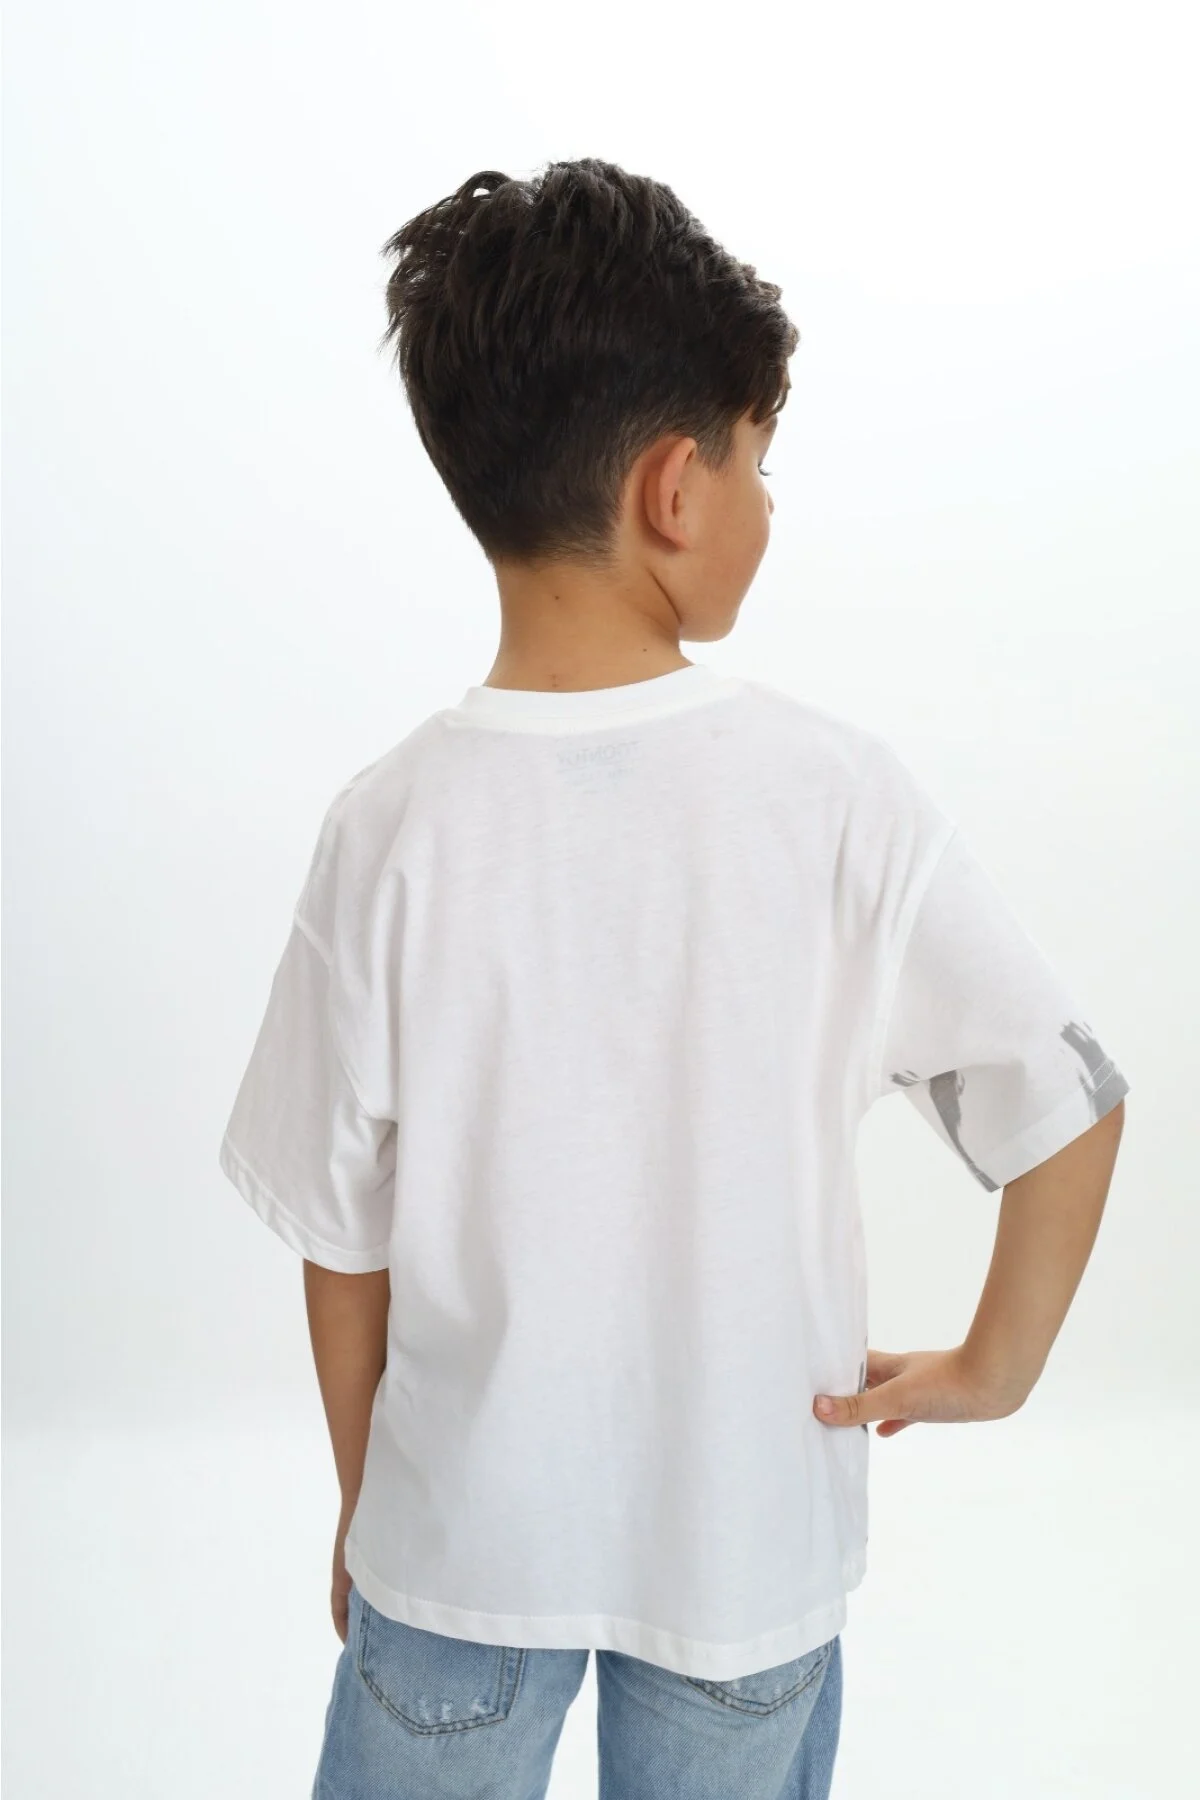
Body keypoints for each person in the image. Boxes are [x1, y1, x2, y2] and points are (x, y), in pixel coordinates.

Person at [218, 158, 1129, 1800]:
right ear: (674, 490)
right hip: (745, 1555)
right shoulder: (835, 800)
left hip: (458, 1559)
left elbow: (339, 1241)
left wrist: (371, 1507)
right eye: (761, 463)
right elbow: (1066, 1105)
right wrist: (994, 1368)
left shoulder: (388, 827)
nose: (769, 505)